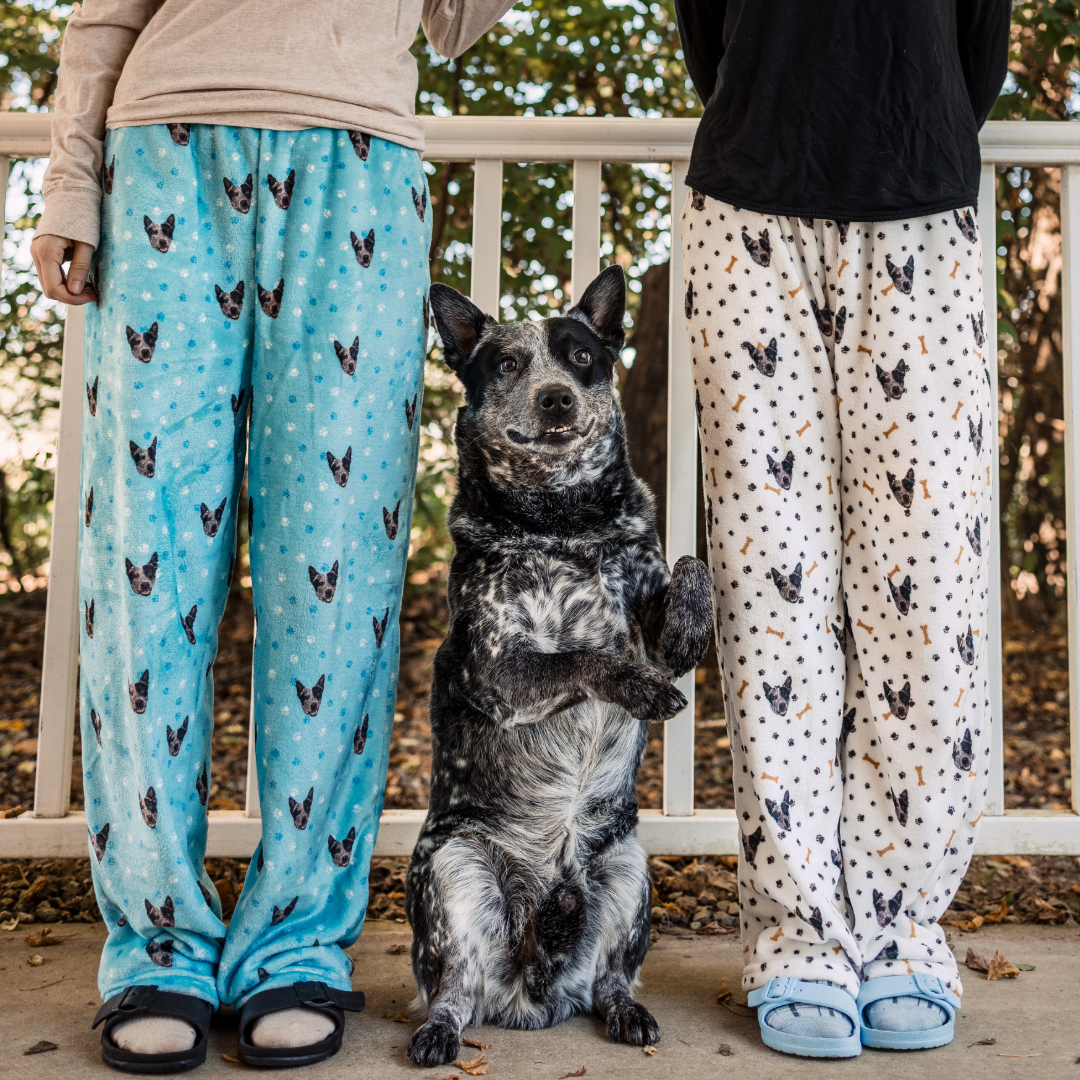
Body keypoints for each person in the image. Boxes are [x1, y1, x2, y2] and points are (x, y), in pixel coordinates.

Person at [32, 0, 515, 1071]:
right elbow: (106, 8)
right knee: (143, 568)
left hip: (360, 160)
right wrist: (71, 180)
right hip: (166, 148)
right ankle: (155, 942)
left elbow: (458, 22)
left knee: (337, 572)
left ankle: (298, 934)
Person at [673, 0, 1009, 1058]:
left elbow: (979, 44)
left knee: (930, 594)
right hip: (746, 210)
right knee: (771, 593)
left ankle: (902, 926)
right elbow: (705, 32)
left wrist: (913, 123)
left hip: (922, 200)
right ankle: (799, 932)